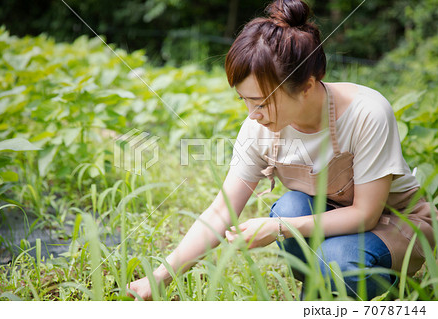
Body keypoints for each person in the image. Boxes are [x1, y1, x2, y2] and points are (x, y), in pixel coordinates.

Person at [128, 0, 436, 300]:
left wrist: (280, 228)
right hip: (330, 221)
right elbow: (222, 211)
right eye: (244, 100)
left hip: (394, 223)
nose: (252, 114)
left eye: (261, 102)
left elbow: (366, 215)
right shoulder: (258, 128)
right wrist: (159, 278)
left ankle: (383, 287)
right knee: (289, 208)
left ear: (307, 86)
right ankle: (317, 296)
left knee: (331, 252)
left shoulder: (366, 113)